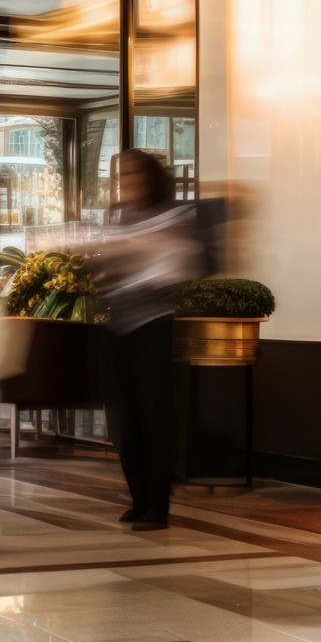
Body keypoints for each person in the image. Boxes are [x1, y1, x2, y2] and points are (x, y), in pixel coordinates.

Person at [91, 151, 202, 530]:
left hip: (153, 327)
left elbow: (180, 267)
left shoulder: (173, 216)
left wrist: (132, 265)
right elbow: (108, 269)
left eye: (132, 173)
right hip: (116, 329)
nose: (125, 181)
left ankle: (157, 504)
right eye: (121, 175)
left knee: (154, 416)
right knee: (122, 419)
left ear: (151, 177)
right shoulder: (121, 220)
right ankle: (139, 499)